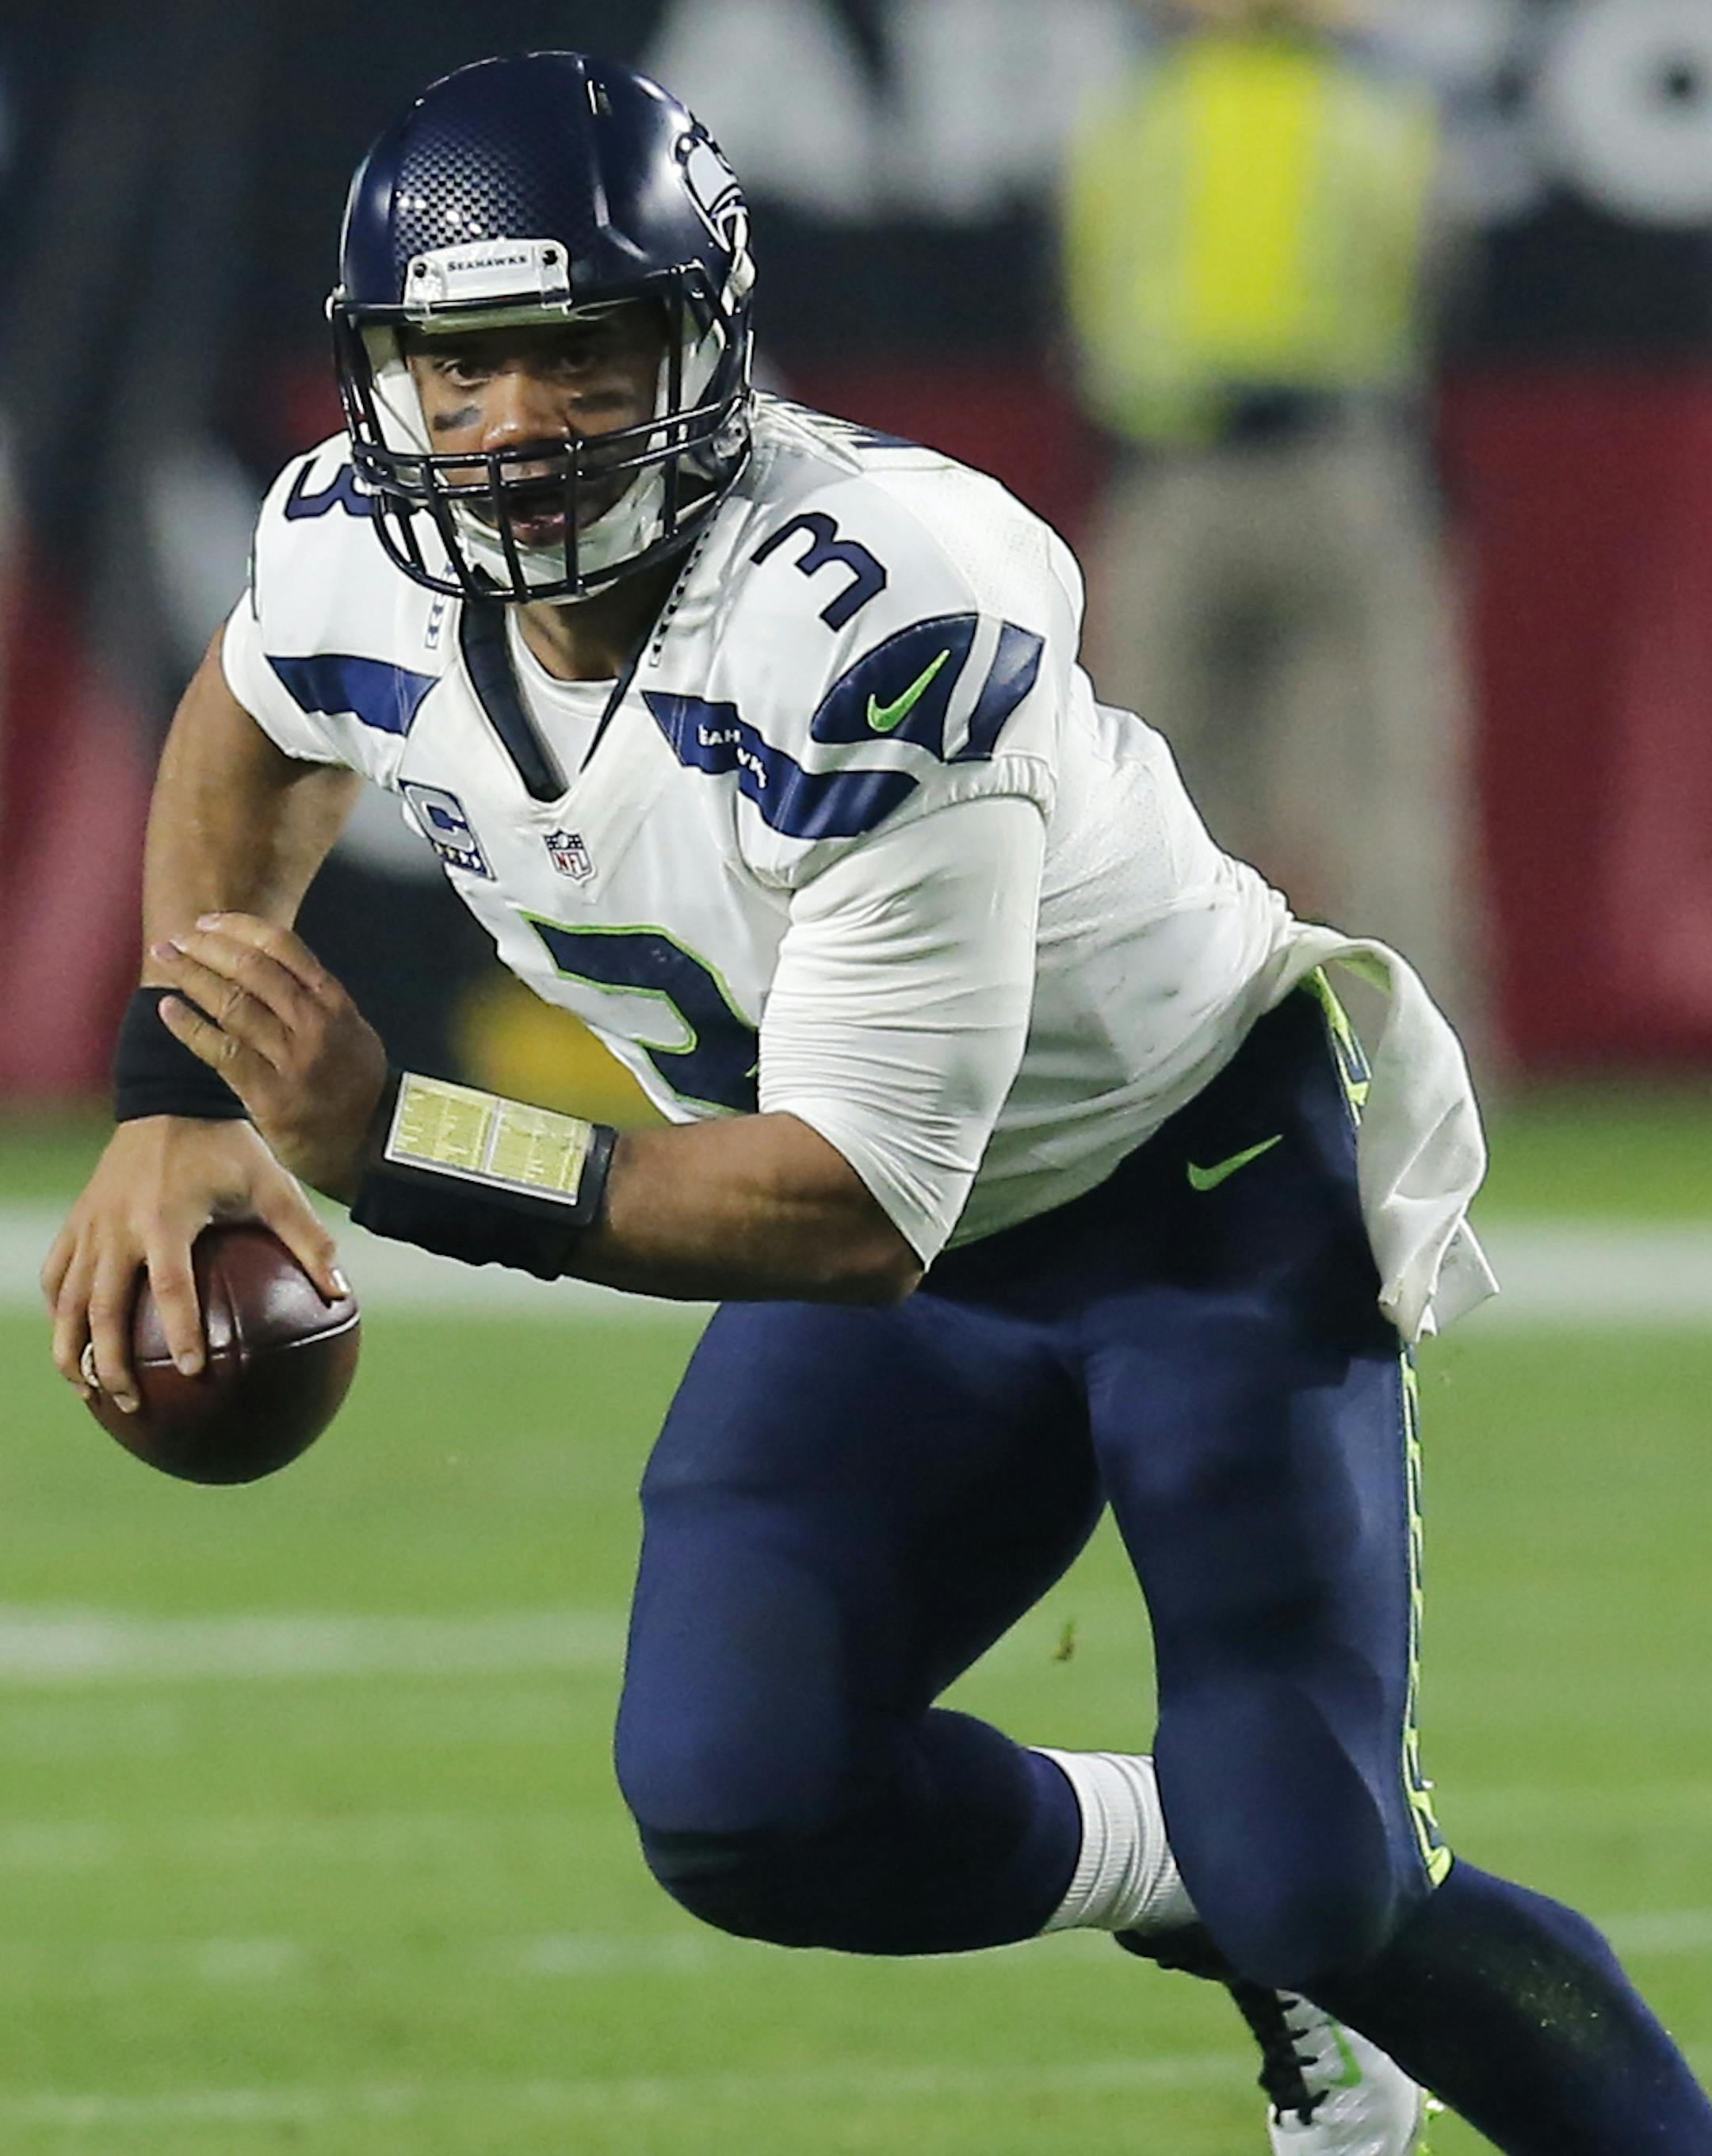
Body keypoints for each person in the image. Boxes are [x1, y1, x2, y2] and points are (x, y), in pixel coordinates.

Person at [40, 52, 1710, 2156]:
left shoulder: (872, 613)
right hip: (885, 1232)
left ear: (702, 343)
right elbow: (252, 715)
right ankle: (1178, 1866)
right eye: (458, 367)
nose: (514, 423)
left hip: (1190, 1197)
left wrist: (396, 1144)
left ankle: (1298, 1910)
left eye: (578, 352)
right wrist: (180, 1084)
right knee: (744, 1800)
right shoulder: (349, 545)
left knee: (1328, 1880)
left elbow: (851, 1211)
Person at [1062, 0, 1488, 1056]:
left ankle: (1159, 1073)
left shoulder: (1135, 116)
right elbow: (1438, 277)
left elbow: (1084, 298)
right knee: (1377, 801)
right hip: (1336, 466)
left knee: (1150, 803)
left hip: (1181, 476)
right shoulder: (1377, 113)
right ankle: (1416, 1069)